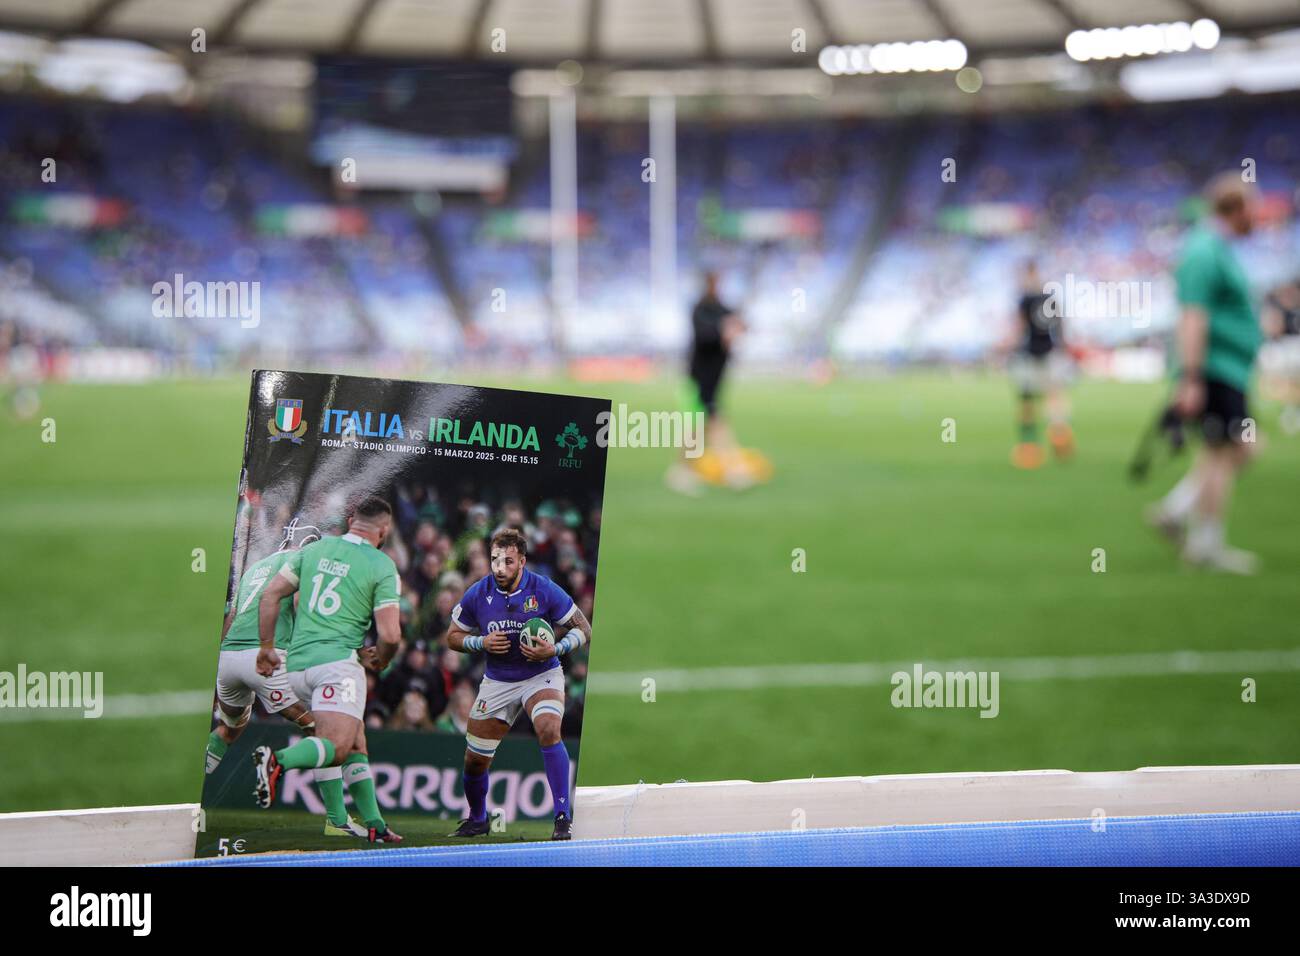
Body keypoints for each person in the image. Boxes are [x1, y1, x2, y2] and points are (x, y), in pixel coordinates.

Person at [250, 496, 406, 842]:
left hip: (298, 667)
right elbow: (392, 635)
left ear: (352, 520)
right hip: (337, 665)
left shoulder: (314, 550)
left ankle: (374, 825)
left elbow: (270, 596)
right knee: (335, 744)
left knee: (354, 742)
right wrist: (382, 657)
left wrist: (265, 648)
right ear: (384, 529)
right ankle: (278, 761)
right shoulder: (381, 566)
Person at [1147, 174, 1264, 574]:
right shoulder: (1204, 251)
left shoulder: (1218, 248)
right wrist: (1191, 377)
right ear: (1235, 207)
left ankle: (1179, 513)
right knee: (1230, 448)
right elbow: (1192, 317)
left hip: (1229, 371)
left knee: (1237, 447)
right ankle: (1204, 541)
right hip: (1214, 371)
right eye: (1254, 206)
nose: (1259, 215)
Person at [442, 528, 591, 840]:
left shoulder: (544, 589)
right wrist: (480, 642)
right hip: (498, 681)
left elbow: (583, 627)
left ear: (522, 561)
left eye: (508, 561)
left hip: (542, 673)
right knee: (474, 760)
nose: (500, 567)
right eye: (495, 559)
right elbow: (452, 636)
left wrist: (557, 649)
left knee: (549, 728)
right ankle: (478, 818)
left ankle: (563, 816)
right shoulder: (477, 593)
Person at [666, 271, 770, 493]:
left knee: (699, 429)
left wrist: (738, 326)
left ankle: (681, 471)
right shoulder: (700, 310)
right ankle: (732, 470)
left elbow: (743, 324)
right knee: (714, 424)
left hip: (716, 378)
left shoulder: (724, 309)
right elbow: (705, 336)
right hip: (698, 379)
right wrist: (725, 330)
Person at [1006, 260, 1074, 469]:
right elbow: (1061, 325)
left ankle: (1030, 445)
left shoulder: (1025, 299)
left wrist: (1009, 349)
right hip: (1050, 352)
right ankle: (1059, 436)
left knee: (1027, 400)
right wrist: (1062, 348)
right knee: (1053, 396)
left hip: (1030, 354)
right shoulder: (1049, 297)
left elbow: (1019, 328)